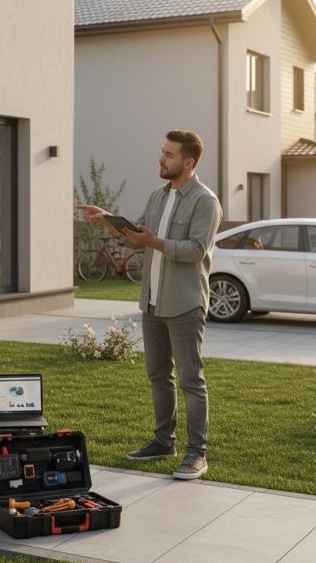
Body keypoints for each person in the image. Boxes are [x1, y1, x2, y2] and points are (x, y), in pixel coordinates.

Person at [77, 130, 222, 480]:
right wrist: (110, 219)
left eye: (169, 155)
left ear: (188, 162)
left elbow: (194, 250)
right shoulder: (158, 196)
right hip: (153, 301)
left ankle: (196, 454)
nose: (161, 159)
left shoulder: (205, 201)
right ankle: (162, 441)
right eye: (162, 152)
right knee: (158, 376)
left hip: (185, 302)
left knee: (191, 380)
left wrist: (153, 240)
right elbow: (138, 237)